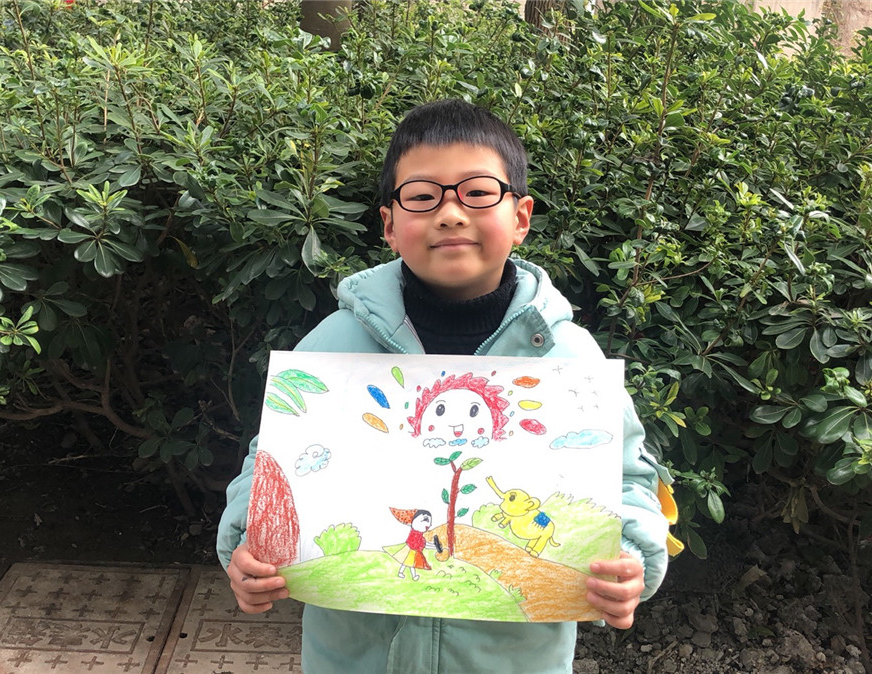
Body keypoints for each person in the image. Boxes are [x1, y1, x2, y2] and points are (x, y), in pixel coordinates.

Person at [217, 98, 671, 673]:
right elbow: (271, 460)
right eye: (422, 196)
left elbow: (629, 477)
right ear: (389, 225)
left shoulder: (569, 358)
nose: (451, 213)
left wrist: (629, 556)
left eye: (477, 192)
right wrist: (247, 543)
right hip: (354, 659)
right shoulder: (333, 345)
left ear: (521, 217)